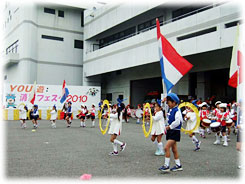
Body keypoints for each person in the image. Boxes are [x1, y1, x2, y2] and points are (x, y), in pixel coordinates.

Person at [159, 93, 183, 172]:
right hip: (171, 131)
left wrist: (170, 126)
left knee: (166, 148)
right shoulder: (171, 109)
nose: (168, 104)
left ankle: (166, 165)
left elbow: (178, 121)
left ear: (174, 102)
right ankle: (178, 165)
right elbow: (162, 108)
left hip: (175, 132)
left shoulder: (177, 111)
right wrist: (163, 102)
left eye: (169, 102)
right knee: (174, 149)